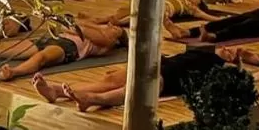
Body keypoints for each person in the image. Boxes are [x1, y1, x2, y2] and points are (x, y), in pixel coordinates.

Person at [31, 45, 231, 111]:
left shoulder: (222, 68)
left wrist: (239, 61)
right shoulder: (198, 51)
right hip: (161, 64)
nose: (227, 50)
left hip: (173, 78)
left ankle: (92, 100)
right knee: (108, 81)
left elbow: (256, 75)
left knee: (134, 88)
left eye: (230, 52)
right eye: (227, 49)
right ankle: (56, 91)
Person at [0, 17, 126, 81]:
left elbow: (78, 29)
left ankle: (13, 72)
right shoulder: (103, 32)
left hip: (69, 46)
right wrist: (101, 23)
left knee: (41, 58)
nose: (110, 25)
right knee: (10, 49)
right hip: (57, 37)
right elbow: (76, 22)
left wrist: (100, 27)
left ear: (117, 40)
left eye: (115, 29)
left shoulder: (107, 41)